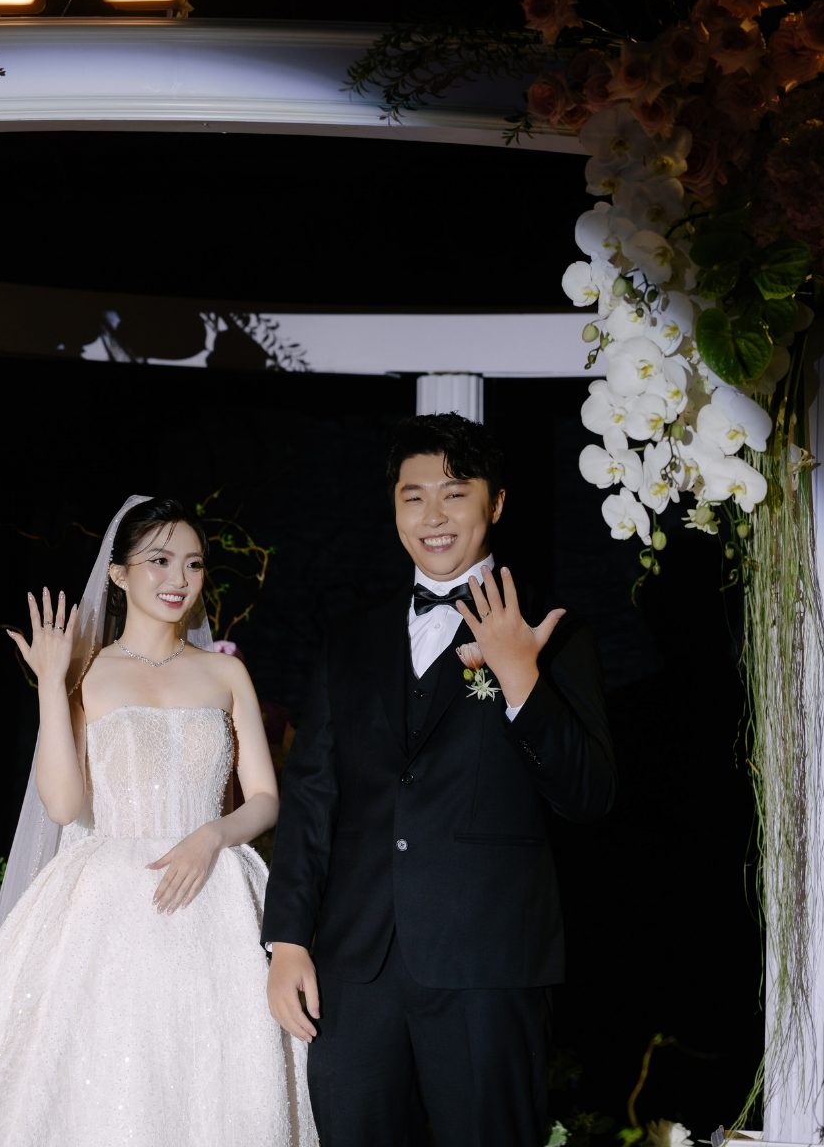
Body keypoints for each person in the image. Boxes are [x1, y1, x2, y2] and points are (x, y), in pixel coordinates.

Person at [0, 494, 316, 1147]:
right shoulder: (88, 673)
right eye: (159, 560)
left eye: (193, 563)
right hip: (108, 899)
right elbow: (64, 806)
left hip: (218, 895)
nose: (179, 579)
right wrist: (51, 683)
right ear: (118, 573)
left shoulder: (226, 671)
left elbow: (264, 797)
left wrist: (212, 835)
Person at [262, 414, 617, 1147]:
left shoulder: (554, 632)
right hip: (355, 966)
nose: (433, 516)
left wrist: (519, 677)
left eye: (454, 494)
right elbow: (310, 797)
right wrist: (288, 938)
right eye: (413, 496)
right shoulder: (348, 637)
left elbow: (588, 795)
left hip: (489, 962)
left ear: (496, 503)